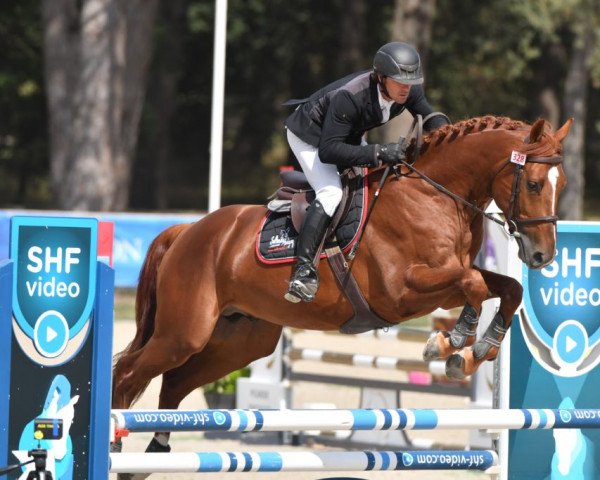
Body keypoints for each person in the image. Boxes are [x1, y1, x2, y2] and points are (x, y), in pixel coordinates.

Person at [283, 41, 449, 304]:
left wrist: (452, 138)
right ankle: (303, 271)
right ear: (381, 78)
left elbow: (431, 120)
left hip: (346, 135)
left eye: (411, 81)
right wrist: (379, 152)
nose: (406, 88)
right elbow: (328, 151)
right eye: (399, 81)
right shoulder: (350, 97)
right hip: (310, 137)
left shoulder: (408, 91)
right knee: (331, 192)